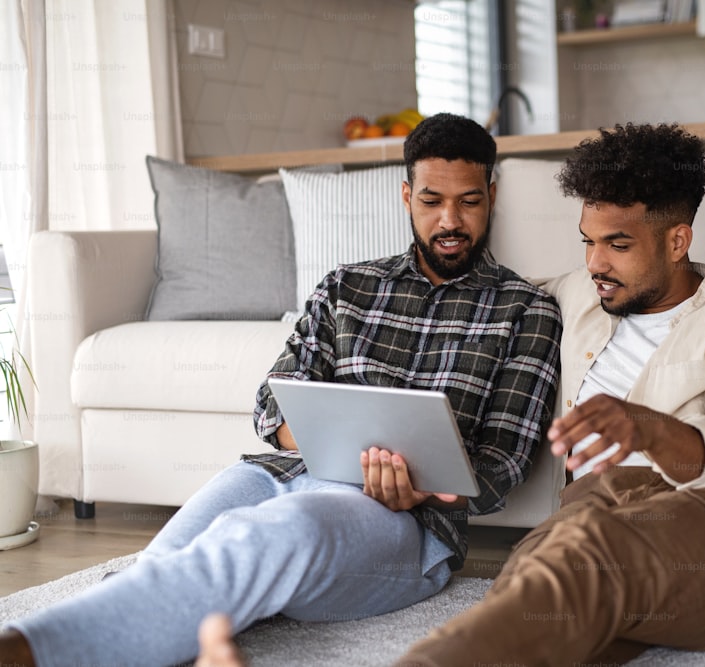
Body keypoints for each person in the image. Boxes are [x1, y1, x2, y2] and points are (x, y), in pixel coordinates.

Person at [0, 113, 562, 667]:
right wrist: (324, 442)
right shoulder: (347, 286)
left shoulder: (527, 310)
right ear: (405, 195)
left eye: (468, 201)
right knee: (158, 565)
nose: (450, 220)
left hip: (405, 522)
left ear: (492, 195)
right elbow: (272, 401)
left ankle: (29, 650)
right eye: (431, 201)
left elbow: (502, 463)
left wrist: (424, 489)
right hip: (277, 475)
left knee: (266, 537)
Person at [393, 122, 705, 666]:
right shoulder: (574, 294)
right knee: (537, 587)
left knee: (587, 560)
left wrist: (647, 426)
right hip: (597, 512)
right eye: (589, 242)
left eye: (618, 244)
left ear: (677, 241)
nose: (595, 264)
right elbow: (486, 301)